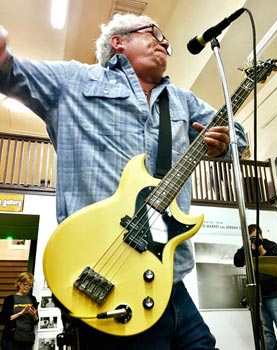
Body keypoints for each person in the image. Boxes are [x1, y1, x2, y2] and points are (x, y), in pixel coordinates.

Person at [0, 12, 248, 350]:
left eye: (166, 41)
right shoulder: (74, 81)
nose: (163, 42)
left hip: (168, 279)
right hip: (107, 279)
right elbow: (10, 72)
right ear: (119, 41)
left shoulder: (183, 101)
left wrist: (225, 142)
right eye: (154, 33)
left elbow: (237, 136)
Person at [234, 224, 277, 350]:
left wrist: (261, 249)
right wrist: (247, 247)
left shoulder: (271, 246)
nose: (254, 240)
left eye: (255, 237)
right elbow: (237, 262)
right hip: (259, 297)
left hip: (275, 295)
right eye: (251, 238)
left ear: (261, 235)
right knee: (267, 333)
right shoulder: (247, 248)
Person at [0, 272, 39, 350]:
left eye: (30, 285)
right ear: (19, 283)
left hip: (27, 340)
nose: (27, 287)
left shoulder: (32, 299)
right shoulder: (10, 299)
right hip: (11, 340)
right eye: (25, 284)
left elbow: (36, 321)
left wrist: (34, 315)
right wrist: (21, 313)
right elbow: (3, 320)